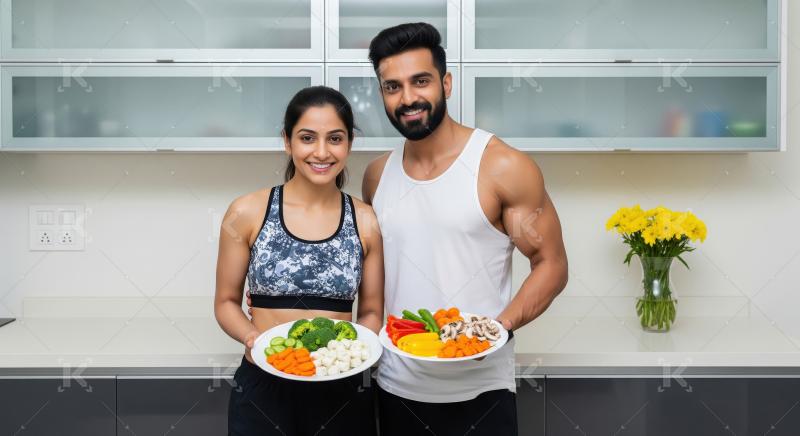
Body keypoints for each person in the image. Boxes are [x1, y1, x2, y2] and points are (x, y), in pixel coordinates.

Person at [360, 23, 568, 435]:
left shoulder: (502, 166)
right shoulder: (376, 175)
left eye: (421, 81)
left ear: (447, 83)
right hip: (395, 383)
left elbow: (552, 264)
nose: (408, 98)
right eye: (392, 86)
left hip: (481, 389)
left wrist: (496, 329)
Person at [215, 86, 384, 436]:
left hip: (342, 389)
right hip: (263, 387)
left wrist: (353, 352)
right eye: (307, 138)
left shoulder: (365, 219)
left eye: (335, 138)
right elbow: (226, 302)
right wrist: (253, 340)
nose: (321, 152)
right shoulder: (247, 212)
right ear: (287, 141)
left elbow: (370, 311)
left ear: (349, 143)